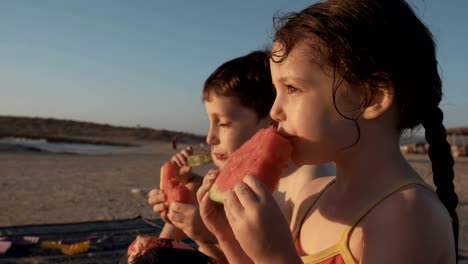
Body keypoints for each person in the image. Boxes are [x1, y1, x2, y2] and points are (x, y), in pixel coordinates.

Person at [197, 0, 459, 263]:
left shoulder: (409, 217)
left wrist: (275, 256)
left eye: (292, 88)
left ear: (371, 98)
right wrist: (228, 238)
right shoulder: (312, 195)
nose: (274, 111)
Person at [147, 50, 335, 262]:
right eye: (209, 122)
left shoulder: (311, 184)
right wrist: (179, 205)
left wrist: (210, 236)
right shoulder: (245, 177)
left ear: (272, 119)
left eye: (224, 123)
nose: (210, 138)